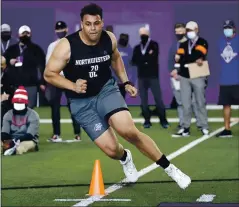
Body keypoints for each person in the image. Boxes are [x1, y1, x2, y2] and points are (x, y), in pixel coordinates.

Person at [44, 3, 191, 189]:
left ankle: (170, 169)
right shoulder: (66, 46)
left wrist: (126, 82)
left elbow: (115, 58)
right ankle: (125, 158)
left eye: (96, 23)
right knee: (112, 150)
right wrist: (72, 85)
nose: (92, 28)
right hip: (81, 103)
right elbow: (49, 74)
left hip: (106, 90)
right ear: (81, 24)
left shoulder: (109, 39)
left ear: (102, 22)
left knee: (128, 130)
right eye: (88, 24)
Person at [171, 21, 209, 137]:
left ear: (197, 30)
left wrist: (184, 58)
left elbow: (198, 54)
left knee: (200, 102)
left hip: (197, 75)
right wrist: (184, 60)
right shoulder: (184, 44)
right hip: (184, 76)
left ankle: (203, 126)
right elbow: (179, 59)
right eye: (187, 30)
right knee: (185, 103)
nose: (189, 32)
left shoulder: (203, 42)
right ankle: (185, 127)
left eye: (191, 30)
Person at [45, 21, 81, 142]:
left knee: (73, 106)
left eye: (62, 30)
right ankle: (56, 134)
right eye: (58, 30)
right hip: (56, 79)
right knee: (55, 107)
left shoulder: (73, 43)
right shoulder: (52, 46)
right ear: (55, 31)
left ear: (66, 29)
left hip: (69, 78)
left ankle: (77, 133)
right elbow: (48, 65)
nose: (60, 32)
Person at [132, 27, 169, 129]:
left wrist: (143, 60)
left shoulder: (154, 44)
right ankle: (147, 121)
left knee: (158, 99)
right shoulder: (137, 47)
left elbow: (153, 58)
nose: (143, 35)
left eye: (144, 33)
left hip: (153, 76)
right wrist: (146, 59)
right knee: (143, 100)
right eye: (141, 33)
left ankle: (163, 120)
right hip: (142, 77)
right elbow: (134, 61)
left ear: (148, 33)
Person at [3, 25, 46, 108]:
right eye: (23, 33)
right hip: (15, 85)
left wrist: (42, 82)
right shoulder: (12, 49)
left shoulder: (36, 49)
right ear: (18, 35)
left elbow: (42, 66)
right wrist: (9, 61)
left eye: (27, 33)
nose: (25, 35)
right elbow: (2, 62)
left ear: (31, 34)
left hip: (31, 85)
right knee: (17, 109)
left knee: (30, 109)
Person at [169, 23, 201, 131]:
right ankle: (182, 123)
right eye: (177, 32)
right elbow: (170, 59)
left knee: (193, 101)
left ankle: (200, 123)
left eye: (181, 31)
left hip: (188, 76)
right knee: (179, 102)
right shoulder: (174, 45)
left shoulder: (190, 44)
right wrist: (172, 71)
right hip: (175, 77)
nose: (178, 34)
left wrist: (180, 71)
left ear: (185, 31)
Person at [216, 20, 239, 138]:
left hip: (237, 79)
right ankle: (227, 129)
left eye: (229, 28)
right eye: (225, 28)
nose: (227, 30)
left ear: (234, 29)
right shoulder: (220, 42)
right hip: (225, 80)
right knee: (226, 105)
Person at [1, 86, 40, 156]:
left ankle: (12, 150)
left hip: (28, 139)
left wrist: (15, 140)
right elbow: (5, 133)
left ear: (26, 104)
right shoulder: (8, 115)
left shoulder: (33, 115)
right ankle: (7, 149)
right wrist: (7, 141)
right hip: (10, 138)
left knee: (20, 148)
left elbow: (30, 135)